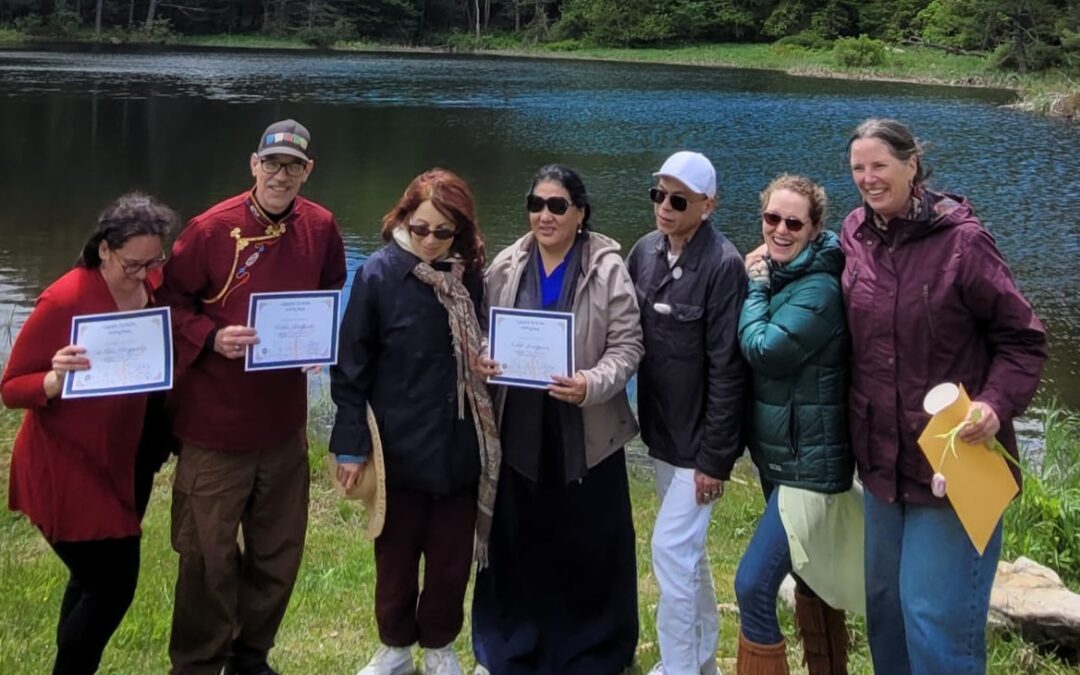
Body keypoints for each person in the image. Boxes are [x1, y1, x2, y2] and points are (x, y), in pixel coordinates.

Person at [842, 118, 1047, 674]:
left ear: (912, 165)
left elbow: (1022, 341)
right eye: (858, 168)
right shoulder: (855, 233)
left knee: (934, 618)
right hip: (882, 463)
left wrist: (994, 403)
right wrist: (769, 263)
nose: (868, 178)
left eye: (879, 165)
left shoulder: (964, 242)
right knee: (886, 611)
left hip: (954, 465)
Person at [159, 119, 346, 675]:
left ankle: (251, 656)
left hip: (282, 424)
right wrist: (212, 337)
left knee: (277, 553)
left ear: (307, 170)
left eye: (293, 166)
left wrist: (319, 335)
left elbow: (331, 290)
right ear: (253, 164)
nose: (281, 175)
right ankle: (197, 662)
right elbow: (166, 305)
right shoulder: (210, 228)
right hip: (215, 425)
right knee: (205, 556)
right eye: (272, 163)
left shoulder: (323, 226)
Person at [471, 164, 642, 675]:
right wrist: (483, 356)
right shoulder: (506, 264)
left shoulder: (608, 269)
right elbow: (482, 331)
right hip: (518, 428)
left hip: (586, 433)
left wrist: (591, 383)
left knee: (589, 545)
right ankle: (511, 643)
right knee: (519, 542)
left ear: (581, 213)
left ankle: (593, 649)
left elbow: (628, 346)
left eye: (557, 205)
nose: (544, 215)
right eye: (536, 204)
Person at [329, 168, 499, 675]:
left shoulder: (472, 277)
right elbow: (351, 368)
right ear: (404, 218)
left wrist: (490, 359)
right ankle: (395, 648)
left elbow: (491, 340)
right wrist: (351, 445)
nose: (428, 240)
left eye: (442, 232)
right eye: (420, 228)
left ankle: (441, 648)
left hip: (459, 447)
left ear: (461, 232)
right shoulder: (378, 275)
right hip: (397, 447)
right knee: (396, 561)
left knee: (450, 562)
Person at [2, 192, 177, 675]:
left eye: (153, 260)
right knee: (113, 584)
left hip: (130, 459)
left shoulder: (152, 283)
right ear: (104, 249)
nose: (144, 273)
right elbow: (12, 388)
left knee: (89, 581)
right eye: (132, 263)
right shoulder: (65, 298)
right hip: (68, 465)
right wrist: (53, 382)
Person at [627, 151, 747, 675]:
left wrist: (715, 460)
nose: (665, 208)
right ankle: (701, 661)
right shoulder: (645, 251)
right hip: (662, 434)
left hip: (702, 444)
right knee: (690, 555)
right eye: (658, 195)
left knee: (670, 552)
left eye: (679, 200)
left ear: (707, 204)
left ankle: (676, 665)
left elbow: (728, 369)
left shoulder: (724, 265)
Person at [734, 175, 856, 674]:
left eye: (793, 222)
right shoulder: (786, 276)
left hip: (809, 468)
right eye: (771, 219)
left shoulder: (821, 290)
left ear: (814, 227)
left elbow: (767, 349)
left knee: (754, 586)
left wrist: (755, 287)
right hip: (781, 457)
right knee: (814, 581)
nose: (780, 230)